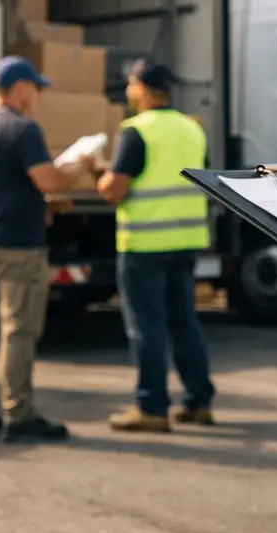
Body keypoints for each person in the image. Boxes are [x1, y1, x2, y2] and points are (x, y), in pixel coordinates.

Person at [0, 55, 85, 443]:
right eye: (36, 89)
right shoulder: (23, 129)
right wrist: (77, 168)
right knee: (19, 329)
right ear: (21, 88)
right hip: (17, 245)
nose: (38, 97)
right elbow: (48, 181)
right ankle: (19, 415)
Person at [88, 59, 216, 432]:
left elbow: (115, 190)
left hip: (144, 244)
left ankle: (152, 408)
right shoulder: (192, 128)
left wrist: (97, 173)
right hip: (186, 240)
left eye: (130, 84)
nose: (128, 91)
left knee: (146, 327)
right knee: (184, 322)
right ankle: (198, 401)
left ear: (142, 88)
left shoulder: (136, 130)